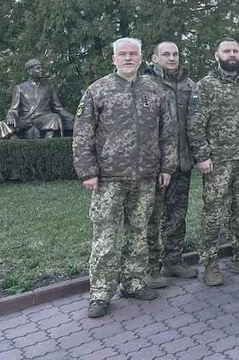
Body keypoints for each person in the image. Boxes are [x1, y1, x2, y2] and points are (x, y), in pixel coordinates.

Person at [73, 37, 177, 318]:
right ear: (114, 59)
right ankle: (100, 292)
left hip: (146, 175)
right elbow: (82, 135)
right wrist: (88, 172)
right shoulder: (98, 90)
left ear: (141, 59)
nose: (128, 58)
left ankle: (133, 281)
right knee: (105, 236)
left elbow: (167, 132)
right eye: (123, 54)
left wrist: (167, 167)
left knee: (139, 232)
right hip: (109, 177)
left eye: (133, 54)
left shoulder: (154, 90)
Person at [188, 38, 239, 287]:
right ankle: (210, 265)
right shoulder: (206, 85)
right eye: (227, 51)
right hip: (218, 162)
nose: (232, 54)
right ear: (217, 55)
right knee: (214, 214)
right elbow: (195, 123)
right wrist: (202, 156)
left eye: (235, 51)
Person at [142, 42, 198, 286]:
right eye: (166, 54)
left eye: (175, 54)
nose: (172, 58)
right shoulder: (145, 84)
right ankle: (150, 268)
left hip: (182, 162)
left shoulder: (189, 85)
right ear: (154, 58)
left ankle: (173, 261)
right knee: (151, 218)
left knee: (177, 216)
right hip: (156, 164)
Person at [3, 59, 74, 138]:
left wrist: (73, 118)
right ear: (29, 72)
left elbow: (58, 108)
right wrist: (11, 116)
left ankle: (49, 142)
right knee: (5, 125)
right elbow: (14, 109)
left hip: (43, 119)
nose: (41, 70)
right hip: (26, 120)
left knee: (54, 117)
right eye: (38, 68)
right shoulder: (20, 88)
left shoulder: (48, 87)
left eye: (41, 68)